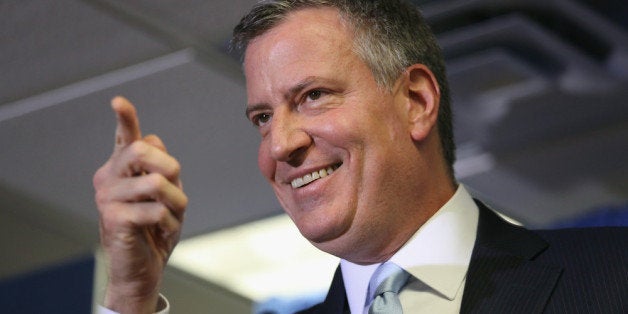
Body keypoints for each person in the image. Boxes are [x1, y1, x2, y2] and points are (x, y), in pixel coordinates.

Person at [94, 0, 627, 313]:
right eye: (262, 118)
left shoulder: (612, 275)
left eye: (312, 96)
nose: (280, 145)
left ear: (415, 102)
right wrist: (130, 297)